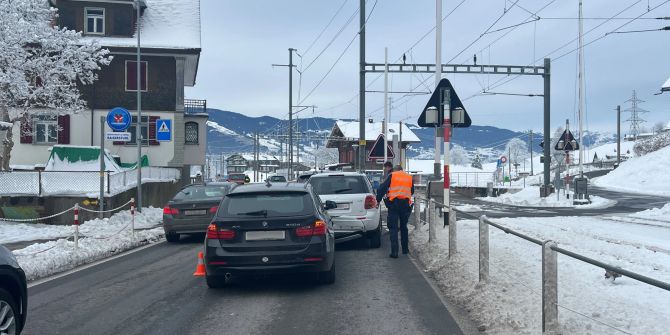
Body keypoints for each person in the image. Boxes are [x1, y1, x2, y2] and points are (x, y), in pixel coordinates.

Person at [376, 165, 414, 258]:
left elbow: (382, 188)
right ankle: (405, 250)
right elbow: (412, 191)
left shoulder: (392, 175)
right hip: (405, 204)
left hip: (394, 204)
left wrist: (378, 200)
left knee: (393, 228)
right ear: (402, 170)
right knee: (404, 227)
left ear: (395, 170)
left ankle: (395, 252)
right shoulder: (409, 177)